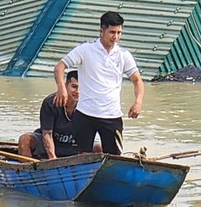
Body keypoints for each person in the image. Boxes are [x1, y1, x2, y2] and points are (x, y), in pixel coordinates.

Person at [53, 11, 145, 155]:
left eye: (119, 33)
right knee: (81, 156)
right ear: (101, 31)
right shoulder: (85, 50)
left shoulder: (123, 55)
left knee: (114, 157)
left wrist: (138, 102)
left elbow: (137, 80)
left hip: (112, 115)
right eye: (112, 32)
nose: (116, 37)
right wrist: (61, 89)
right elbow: (60, 67)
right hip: (85, 114)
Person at [18, 70, 101, 159]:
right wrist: (52, 158)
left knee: (100, 148)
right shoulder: (51, 103)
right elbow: (47, 134)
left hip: (75, 145)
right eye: (74, 87)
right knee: (25, 140)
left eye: (82, 88)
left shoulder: (88, 105)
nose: (78, 91)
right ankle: (30, 170)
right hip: (52, 142)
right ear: (65, 86)